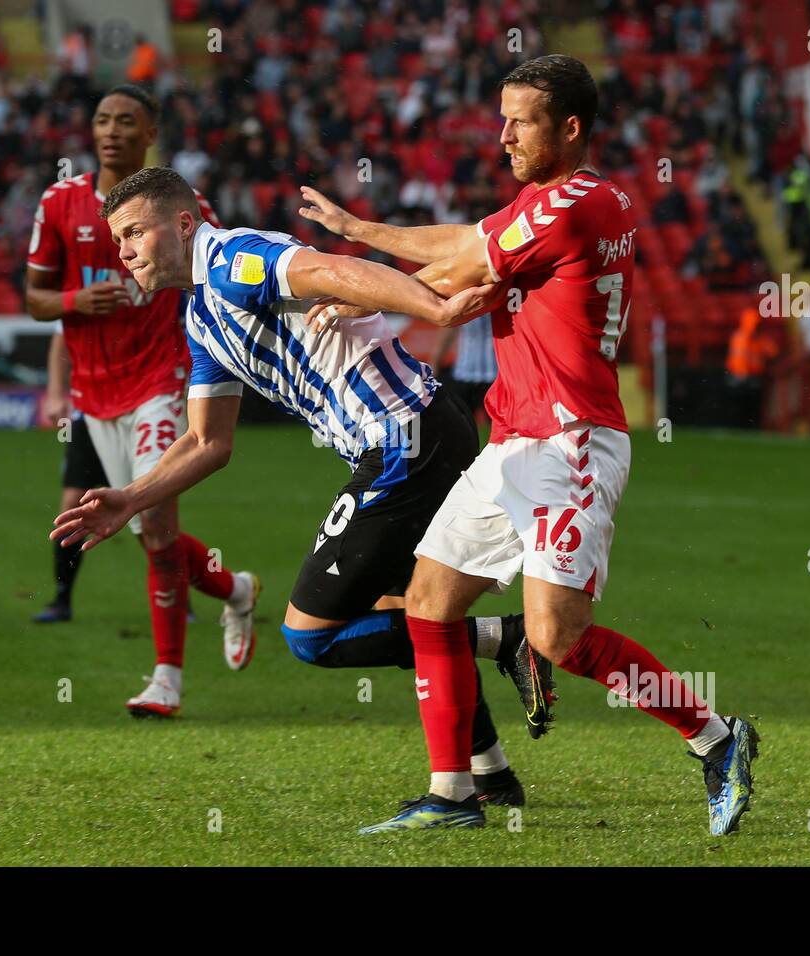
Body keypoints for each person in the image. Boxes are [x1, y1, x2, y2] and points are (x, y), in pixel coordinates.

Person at [300, 54, 758, 836]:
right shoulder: (549, 202)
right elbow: (467, 247)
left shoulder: (576, 203)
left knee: (557, 636)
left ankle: (717, 741)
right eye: (502, 117)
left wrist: (353, 261)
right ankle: (454, 794)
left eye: (521, 120)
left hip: (570, 444)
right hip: (511, 443)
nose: (503, 134)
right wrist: (369, 244)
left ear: (569, 128)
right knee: (428, 605)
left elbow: (463, 260)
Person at [49, 166, 559, 807]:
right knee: (403, 611)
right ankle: (489, 775)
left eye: (134, 233)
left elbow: (333, 271)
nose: (122, 251)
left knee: (311, 634)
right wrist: (132, 496)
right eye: (115, 238)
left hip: (402, 441)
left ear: (182, 225)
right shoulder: (202, 317)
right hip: (417, 433)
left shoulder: (235, 258)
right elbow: (210, 442)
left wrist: (433, 308)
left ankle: (507, 640)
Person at [25, 84, 255, 718]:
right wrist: (74, 303)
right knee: (140, 528)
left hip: (161, 379)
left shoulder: (182, 206)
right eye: (102, 119)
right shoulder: (60, 203)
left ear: (149, 132)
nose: (111, 130)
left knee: (151, 520)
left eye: (127, 120)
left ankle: (167, 680)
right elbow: (34, 298)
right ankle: (233, 588)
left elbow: (210, 273)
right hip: (94, 394)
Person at [33, 329, 110, 623]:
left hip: (141, 409)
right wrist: (54, 392)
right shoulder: (83, 286)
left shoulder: (156, 291)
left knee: (153, 513)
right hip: (88, 412)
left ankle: (177, 599)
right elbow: (60, 335)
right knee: (72, 507)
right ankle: (62, 599)